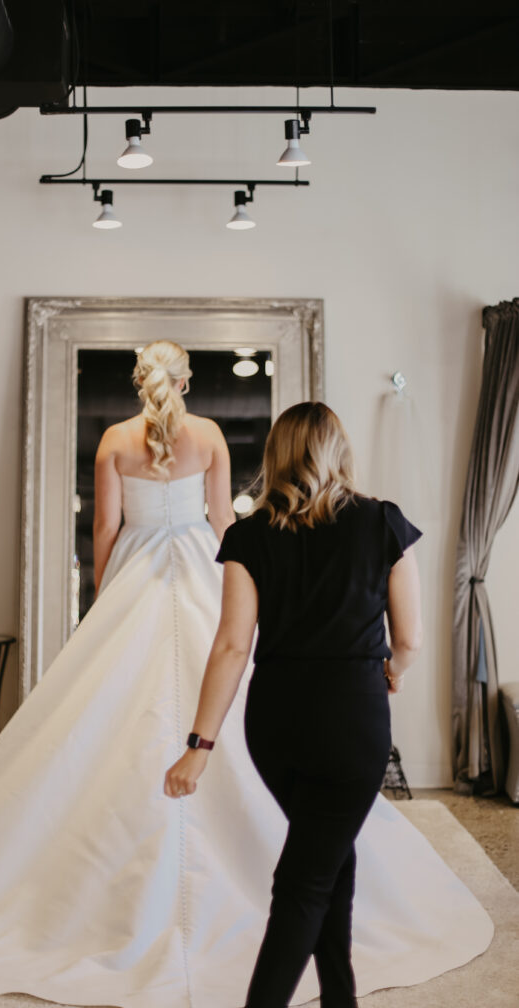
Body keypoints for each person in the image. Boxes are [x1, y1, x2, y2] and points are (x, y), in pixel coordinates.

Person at [0, 346, 492, 1008]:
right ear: (184, 381)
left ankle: (335, 989)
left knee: (117, 732)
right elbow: (223, 527)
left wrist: (109, 599)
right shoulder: (224, 446)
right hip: (251, 618)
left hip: (187, 626)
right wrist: (266, 593)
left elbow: (105, 528)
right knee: (318, 851)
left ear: (141, 382)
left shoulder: (120, 445)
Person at [163, 401, 446, 1006]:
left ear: (276, 456)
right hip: (353, 721)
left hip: (276, 725)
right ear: (339, 451)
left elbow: (233, 646)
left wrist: (199, 746)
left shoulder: (248, 534)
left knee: (324, 860)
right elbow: (412, 638)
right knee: (308, 878)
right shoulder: (384, 523)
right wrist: (392, 671)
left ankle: (339, 996)